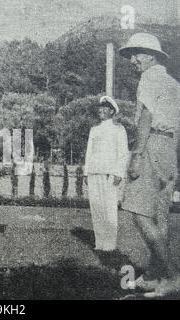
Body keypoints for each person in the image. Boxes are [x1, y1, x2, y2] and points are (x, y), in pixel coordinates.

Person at [119, 33, 180, 296]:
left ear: (152, 55)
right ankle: (156, 276)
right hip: (169, 148)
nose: (132, 60)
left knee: (138, 213)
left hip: (152, 143)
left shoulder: (149, 77)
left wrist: (138, 155)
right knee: (160, 216)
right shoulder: (173, 83)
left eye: (137, 54)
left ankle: (172, 275)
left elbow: (146, 117)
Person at [84, 96, 129, 252]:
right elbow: (89, 152)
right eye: (100, 107)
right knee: (96, 209)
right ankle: (100, 243)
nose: (101, 110)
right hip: (94, 173)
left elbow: (123, 153)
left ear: (112, 111)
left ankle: (109, 245)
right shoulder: (94, 130)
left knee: (109, 209)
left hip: (109, 174)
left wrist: (118, 173)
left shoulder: (118, 129)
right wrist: (86, 172)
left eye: (105, 107)